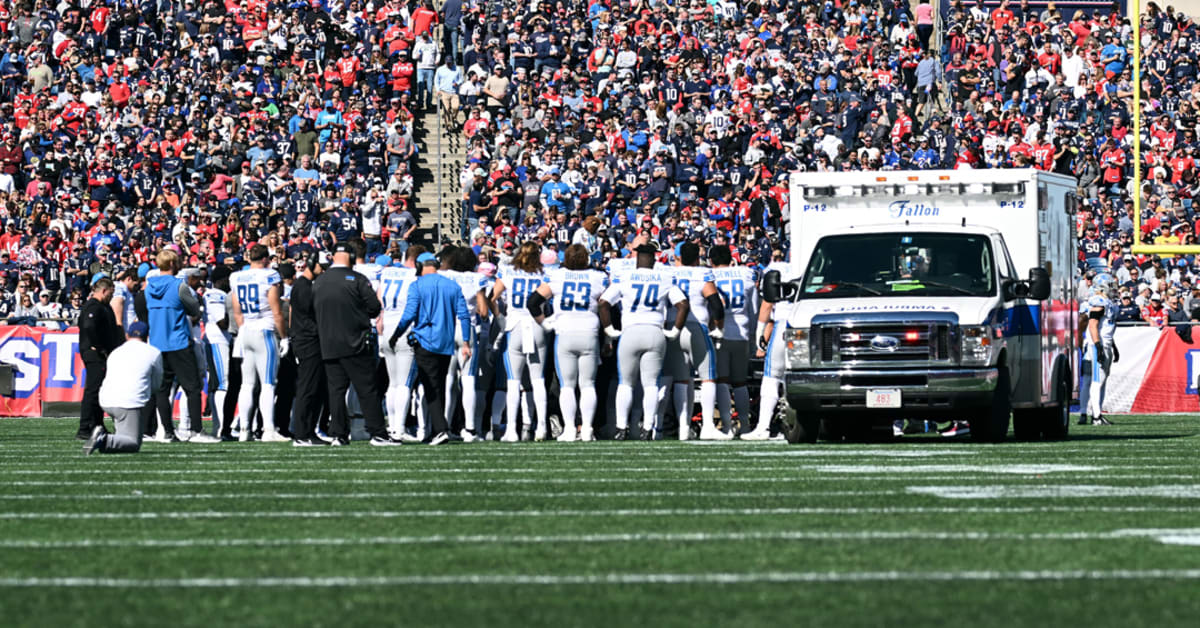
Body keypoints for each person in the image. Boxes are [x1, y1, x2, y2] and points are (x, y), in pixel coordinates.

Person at [599, 242, 689, 440]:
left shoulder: (625, 276)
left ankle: (621, 428)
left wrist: (609, 329)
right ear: (655, 258)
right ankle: (648, 428)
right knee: (650, 385)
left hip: (630, 331)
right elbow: (683, 304)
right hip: (655, 330)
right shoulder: (664, 278)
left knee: (626, 383)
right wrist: (674, 330)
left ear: (636, 257)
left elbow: (604, 303)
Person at [314, 242, 400, 446]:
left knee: (336, 391)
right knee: (367, 389)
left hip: (328, 342)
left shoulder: (320, 281)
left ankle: (338, 434)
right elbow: (374, 308)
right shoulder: (357, 279)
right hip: (355, 341)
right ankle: (378, 433)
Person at [389, 252, 472, 446]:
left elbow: (409, 314)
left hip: (425, 341)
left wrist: (395, 335)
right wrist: (466, 342)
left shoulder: (417, 285)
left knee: (431, 388)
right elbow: (464, 316)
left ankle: (440, 429)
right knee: (439, 386)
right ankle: (437, 428)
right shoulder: (452, 285)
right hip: (445, 343)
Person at [530, 244, 607, 441]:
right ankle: (588, 429)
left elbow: (532, 302)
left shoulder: (557, 276)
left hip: (564, 332)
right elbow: (608, 304)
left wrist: (545, 323)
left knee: (567, 386)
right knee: (588, 384)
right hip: (590, 331)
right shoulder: (598, 277)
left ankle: (570, 429)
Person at [145, 249, 219, 443]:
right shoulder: (179, 285)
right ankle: (196, 431)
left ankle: (168, 432)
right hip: (177, 341)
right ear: (172, 265)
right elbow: (193, 308)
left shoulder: (148, 287)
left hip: (157, 343)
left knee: (163, 389)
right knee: (193, 387)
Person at [665, 242, 727, 440]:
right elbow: (716, 304)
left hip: (673, 325)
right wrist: (718, 327)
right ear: (696, 258)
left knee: (682, 379)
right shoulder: (702, 274)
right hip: (696, 325)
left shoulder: (669, 273)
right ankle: (708, 426)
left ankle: (684, 428)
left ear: (680, 257)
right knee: (708, 376)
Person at [489, 241, 550, 441]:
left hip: (514, 324)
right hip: (536, 324)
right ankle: (540, 427)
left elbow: (492, 298)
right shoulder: (544, 274)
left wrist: (501, 319)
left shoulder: (507, 272)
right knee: (537, 379)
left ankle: (512, 430)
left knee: (513, 381)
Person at [230, 244, 288, 442]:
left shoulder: (236, 277)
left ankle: (244, 429)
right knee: (268, 383)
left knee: (247, 384)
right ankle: (268, 431)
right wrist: (285, 337)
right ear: (265, 259)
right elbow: (277, 311)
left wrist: (245, 328)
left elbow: (237, 311)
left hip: (246, 330)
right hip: (264, 330)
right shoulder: (269, 275)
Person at [84, 322, 163, 455]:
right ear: (147, 336)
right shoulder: (153, 353)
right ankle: (103, 439)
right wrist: (148, 394)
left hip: (106, 399)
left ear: (127, 335)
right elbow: (157, 382)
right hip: (129, 401)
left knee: (122, 438)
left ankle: (107, 441)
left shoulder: (116, 351)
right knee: (133, 443)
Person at [710, 246, 763, 438]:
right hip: (742, 331)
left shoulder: (711, 276)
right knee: (740, 383)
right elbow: (754, 310)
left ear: (712, 261)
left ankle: (727, 426)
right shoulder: (745, 275)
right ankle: (745, 425)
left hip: (721, 333)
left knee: (723, 380)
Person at [441, 247, 489, 440]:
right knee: (468, 379)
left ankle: (444, 425)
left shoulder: (444, 275)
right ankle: (470, 428)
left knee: (448, 378)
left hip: (446, 328)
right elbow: (484, 311)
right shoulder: (477, 278)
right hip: (466, 328)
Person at [378, 246, 425, 440]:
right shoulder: (415, 276)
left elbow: (378, 298)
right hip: (404, 329)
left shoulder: (387, 272)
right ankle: (399, 428)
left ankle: (392, 426)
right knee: (404, 384)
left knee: (393, 383)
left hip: (386, 326)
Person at [289, 253, 330, 447]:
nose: (323, 270)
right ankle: (302, 433)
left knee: (316, 388)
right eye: (321, 266)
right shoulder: (304, 287)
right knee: (308, 387)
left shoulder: (306, 285)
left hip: (310, 340)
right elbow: (312, 316)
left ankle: (309, 431)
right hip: (308, 341)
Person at [76, 276, 124, 440]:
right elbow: (89, 326)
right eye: (111, 293)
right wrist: (98, 345)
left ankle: (97, 425)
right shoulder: (93, 306)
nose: (112, 296)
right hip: (95, 354)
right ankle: (85, 427)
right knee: (93, 390)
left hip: (101, 353)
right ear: (104, 291)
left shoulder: (103, 306)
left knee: (99, 391)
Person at [1083, 273, 1118, 426]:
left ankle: (1097, 413)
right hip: (1098, 345)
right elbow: (1092, 324)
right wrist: (1098, 345)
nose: (1113, 289)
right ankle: (1096, 416)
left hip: (1105, 343)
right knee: (1098, 380)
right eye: (1110, 285)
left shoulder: (1107, 302)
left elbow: (1106, 327)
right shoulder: (1100, 301)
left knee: (1101, 380)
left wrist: (1113, 347)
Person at [204, 266, 234, 439]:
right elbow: (221, 321)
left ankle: (219, 426)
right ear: (221, 280)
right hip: (218, 340)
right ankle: (221, 427)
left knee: (218, 385)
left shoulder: (217, 294)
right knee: (223, 382)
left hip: (219, 340)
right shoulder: (215, 294)